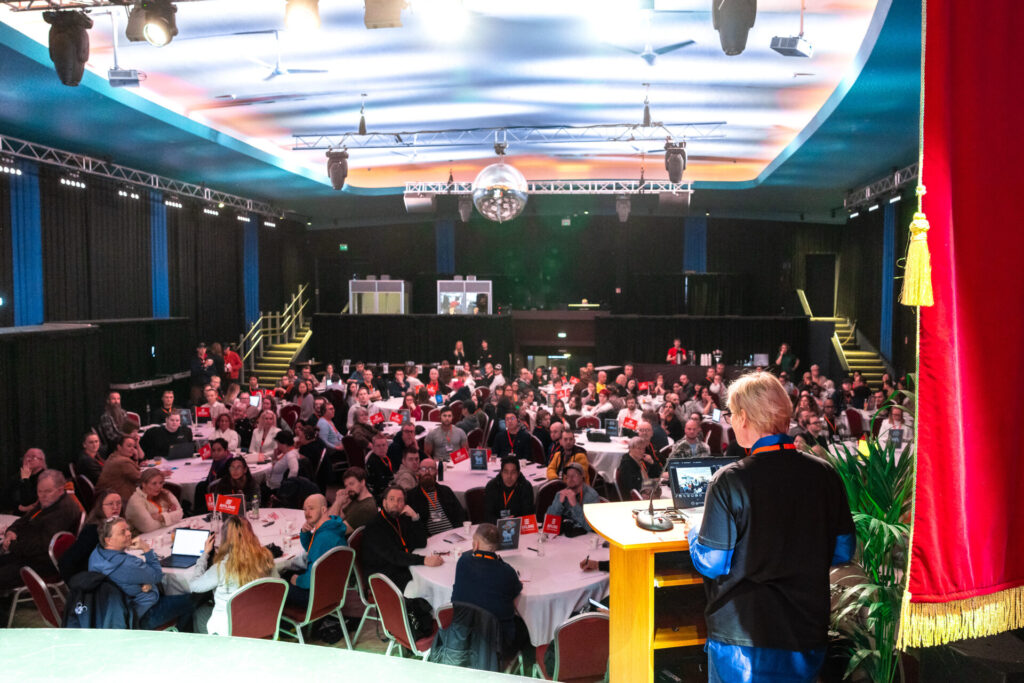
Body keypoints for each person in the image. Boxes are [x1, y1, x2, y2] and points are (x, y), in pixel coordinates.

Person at [688, 372, 854, 683]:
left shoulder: (730, 480)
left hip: (743, 637)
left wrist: (695, 532)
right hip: (806, 632)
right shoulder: (825, 474)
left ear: (744, 417)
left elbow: (713, 562)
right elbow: (843, 551)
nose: (730, 422)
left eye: (731, 414)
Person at [89, 516, 195, 631]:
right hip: (140, 617)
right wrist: (146, 549)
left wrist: (144, 584)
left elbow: (124, 579)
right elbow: (157, 575)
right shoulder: (127, 564)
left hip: (114, 613)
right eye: (122, 532)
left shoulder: (96, 554)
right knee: (192, 601)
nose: (129, 533)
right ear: (108, 540)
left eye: (128, 529)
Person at [184, 514, 276, 634]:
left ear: (225, 539)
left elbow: (194, 586)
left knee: (199, 612)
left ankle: (208, 645)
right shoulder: (266, 557)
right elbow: (276, 583)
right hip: (260, 624)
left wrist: (204, 555)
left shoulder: (222, 568)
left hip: (230, 630)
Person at [450, 523, 529, 656]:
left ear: (475, 544)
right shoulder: (507, 572)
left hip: (464, 634)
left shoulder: (463, 561)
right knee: (523, 626)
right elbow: (516, 592)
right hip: (497, 643)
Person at [0, 470, 84, 590]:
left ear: (60, 490)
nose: (42, 495)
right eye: (39, 491)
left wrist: (12, 545)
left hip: (42, 563)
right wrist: (11, 532)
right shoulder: (50, 502)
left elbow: (43, 546)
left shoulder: (63, 511)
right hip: (27, 554)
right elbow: (24, 520)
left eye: (48, 491)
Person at [361, 485, 442, 591]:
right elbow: (394, 555)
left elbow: (421, 542)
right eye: (391, 499)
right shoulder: (374, 526)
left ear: (404, 504)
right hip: (384, 577)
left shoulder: (401, 518)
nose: (396, 503)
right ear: (384, 502)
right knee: (429, 588)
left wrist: (414, 517)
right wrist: (424, 560)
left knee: (434, 578)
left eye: (400, 500)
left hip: (402, 567)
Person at [283, 493, 347, 606]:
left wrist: (297, 580)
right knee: (286, 574)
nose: (307, 513)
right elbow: (313, 550)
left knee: (274, 587)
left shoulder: (324, 538)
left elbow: (311, 578)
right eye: (305, 509)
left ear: (323, 510)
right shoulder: (329, 527)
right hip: (331, 588)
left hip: (318, 595)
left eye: (311, 508)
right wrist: (305, 533)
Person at [59, 488, 122, 581]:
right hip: (94, 577)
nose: (115, 507)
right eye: (110, 504)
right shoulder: (92, 531)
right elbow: (68, 560)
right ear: (100, 507)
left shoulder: (116, 523)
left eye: (118, 503)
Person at [406, 458, 466, 536]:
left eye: (431, 469)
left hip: (454, 535)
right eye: (423, 469)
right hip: (430, 539)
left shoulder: (446, 491)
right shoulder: (411, 496)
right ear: (418, 472)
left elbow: (460, 515)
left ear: (436, 472)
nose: (427, 472)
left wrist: (460, 533)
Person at [125, 468, 184, 534]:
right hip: (142, 537)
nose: (159, 486)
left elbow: (180, 513)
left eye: (161, 483)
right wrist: (170, 516)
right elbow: (148, 527)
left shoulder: (165, 493)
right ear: (144, 484)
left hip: (164, 532)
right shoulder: (135, 501)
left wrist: (161, 517)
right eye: (154, 483)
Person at [545, 463, 599, 533]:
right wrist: (559, 503)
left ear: (582, 476)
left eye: (574, 475)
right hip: (565, 535)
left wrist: (575, 505)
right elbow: (549, 522)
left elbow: (590, 527)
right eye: (568, 476)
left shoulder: (592, 496)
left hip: (585, 536)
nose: (570, 478)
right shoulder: (561, 494)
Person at [96, 434, 143, 507]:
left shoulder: (113, 456)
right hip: (120, 501)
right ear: (119, 447)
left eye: (133, 447)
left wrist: (135, 458)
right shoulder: (122, 462)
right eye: (129, 446)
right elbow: (140, 478)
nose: (132, 449)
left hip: (107, 497)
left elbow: (134, 472)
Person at [484, 457, 535, 524]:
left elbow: (528, 515)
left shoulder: (525, 487)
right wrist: (502, 522)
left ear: (518, 473)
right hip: (496, 526)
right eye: (506, 472)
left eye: (513, 472)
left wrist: (514, 522)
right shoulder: (492, 486)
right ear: (501, 473)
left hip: (519, 526)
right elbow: (487, 516)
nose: (509, 476)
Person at [328, 467, 378, 533]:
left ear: (362, 482)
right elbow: (337, 518)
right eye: (346, 486)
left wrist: (338, 502)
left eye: (351, 484)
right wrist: (340, 502)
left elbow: (331, 528)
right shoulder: (355, 499)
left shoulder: (366, 508)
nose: (348, 489)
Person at [3, 448, 47, 513]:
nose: (28, 460)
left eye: (33, 457)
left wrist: (25, 479)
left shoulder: (46, 478)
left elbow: (28, 501)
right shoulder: (17, 477)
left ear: (41, 461)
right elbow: (5, 497)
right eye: (26, 457)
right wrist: (20, 507)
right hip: (14, 513)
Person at [365, 432, 399, 500]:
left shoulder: (386, 457)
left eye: (383, 445)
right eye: (378, 446)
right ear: (373, 447)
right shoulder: (373, 462)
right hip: (378, 494)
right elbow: (381, 485)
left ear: (387, 446)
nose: (381, 448)